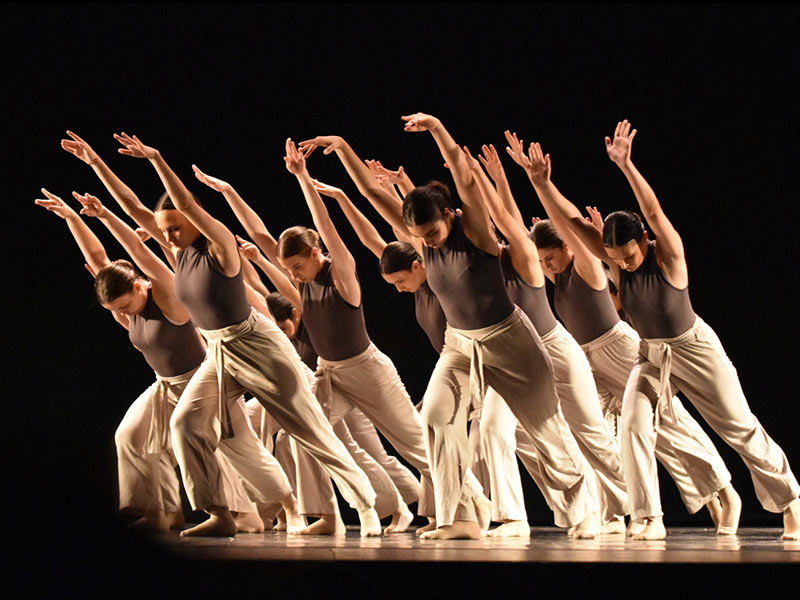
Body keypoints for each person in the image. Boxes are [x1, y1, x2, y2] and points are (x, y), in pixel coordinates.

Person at [299, 113, 597, 540]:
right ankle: (461, 519)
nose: (429, 239)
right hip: (460, 344)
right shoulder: (421, 236)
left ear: (448, 214)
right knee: (437, 419)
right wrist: (343, 146)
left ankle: (582, 510)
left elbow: (463, 174)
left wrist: (438, 130)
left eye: (433, 231)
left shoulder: (472, 229)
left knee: (545, 429)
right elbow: (369, 190)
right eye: (421, 234)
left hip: (508, 338)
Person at [522, 120, 800, 540]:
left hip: (694, 349)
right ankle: (648, 516)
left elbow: (652, 211)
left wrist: (626, 166)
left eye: (629, 254)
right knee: (633, 422)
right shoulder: (615, 259)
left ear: (644, 241)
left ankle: (792, 502)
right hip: (649, 355)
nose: (623, 263)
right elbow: (572, 222)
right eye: (615, 256)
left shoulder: (668, 255)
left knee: (739, 430)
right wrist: (542, 184)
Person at [113, 132, 381, 537]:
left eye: (173, 228)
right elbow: (134, 208)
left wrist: (155, 158)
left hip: (256, 343)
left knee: (311, 432)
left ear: (193, 218)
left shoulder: (219, 244)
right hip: (219, 352)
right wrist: (97, 167)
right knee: (186, 424)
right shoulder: (178, 253)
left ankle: (365, 507)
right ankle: (220, 513)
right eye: (163, 229)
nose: (165, 235)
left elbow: (184, 202)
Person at [34, 189, 261, 533]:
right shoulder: (120, 296)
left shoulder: (167, 296)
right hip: (164, 385)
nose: (122, 315)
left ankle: (245, 515)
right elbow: (98, 259)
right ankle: (160, 512)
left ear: (140, 285)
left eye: (125, 307)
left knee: (229, 450)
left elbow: (138, 252)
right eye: (116, 312)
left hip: (201, 380)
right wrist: (72, 219)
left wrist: (107, 215)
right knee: (131, 436)